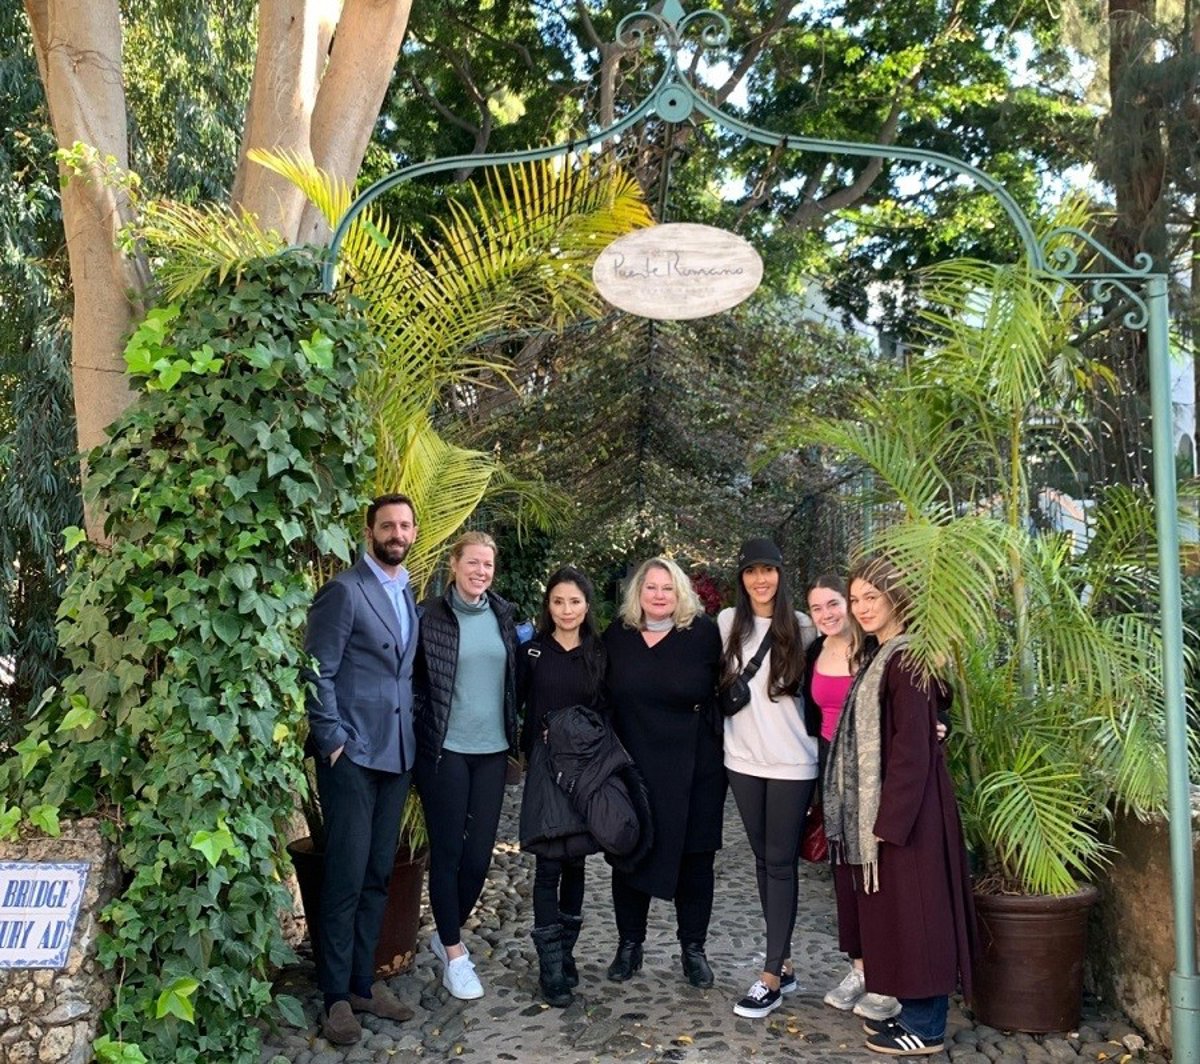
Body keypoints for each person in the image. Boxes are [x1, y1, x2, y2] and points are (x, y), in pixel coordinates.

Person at [824, 556, 975, 1057]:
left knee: (919, 915)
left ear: (896, 598)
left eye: (873, 597)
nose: (862, 607)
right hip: (895, 810)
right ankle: (914, 1016)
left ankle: (926, 1027)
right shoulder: (882, 655)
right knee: (904, 916)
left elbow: (912, 747)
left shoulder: (905, 657)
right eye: (856, 599)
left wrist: (890, 822)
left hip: (909, 814)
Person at [303, 493, 420, 1046]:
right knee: (346, 877)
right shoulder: (344, 591)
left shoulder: (407, 592)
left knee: (377, 874)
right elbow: (317, 671)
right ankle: (334, 997)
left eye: (405, 525)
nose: (397, 533)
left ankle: (362, 984)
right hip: (352, 757)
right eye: (387, 525)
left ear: (413, 533)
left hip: (397, 755)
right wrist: (333, 743)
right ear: (369, 531)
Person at [603, 556, 725, 988]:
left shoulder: (704, 634)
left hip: (695, 766)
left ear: (681, 593)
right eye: (651, 587)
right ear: (637, 592)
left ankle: (693, 949)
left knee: (696, 860)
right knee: (629, 854)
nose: (659, 595)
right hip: (633, 766)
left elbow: (727, 688)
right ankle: (629, 945)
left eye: (667, 588)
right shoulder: (617, 636)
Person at [413, 531, 518, 1000]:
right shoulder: (428, 616)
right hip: (446, 750)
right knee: (449, 852)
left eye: (487, 565)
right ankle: (455, 956)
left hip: (492, 750)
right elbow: (413, 682)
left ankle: (445, 933)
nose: (480, 571)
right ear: (453, 565)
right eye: (472, 562)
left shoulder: (503, 615)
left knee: (479, 856)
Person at [717, 538, 819, 1018]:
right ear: (741, 578)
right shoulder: (726, 624)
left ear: (781, 574)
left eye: (769, 570)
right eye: (752, 571)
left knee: (779, 863)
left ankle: (771, 977)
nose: (761, 579)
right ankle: (786, 962)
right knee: (764, 861)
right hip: (742, 760)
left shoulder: (804, 627)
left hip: (791, 763)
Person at [806, 573, 901, 1024]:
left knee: (879, 872)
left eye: (834, 604)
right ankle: (860, 968)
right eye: (817, 608)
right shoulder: (814, 652)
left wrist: (941, 723)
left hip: (873, 771)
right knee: (844, 875)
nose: (827, 614)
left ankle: (890, 976)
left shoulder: (878, 650)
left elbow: (919, 701)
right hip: (831, 772)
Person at [517, 566, 608, 1007]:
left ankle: (567, 953)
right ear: (548, 605)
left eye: (574, 601)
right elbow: (515, 704)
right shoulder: (532, 651)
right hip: (544, 768)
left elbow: (608, 710)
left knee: (576, 862)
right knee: (548, 863)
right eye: (558, 601)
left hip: (585, 770)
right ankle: (550, 968)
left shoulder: (600, 653)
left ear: (587, 606)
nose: (566, 610)